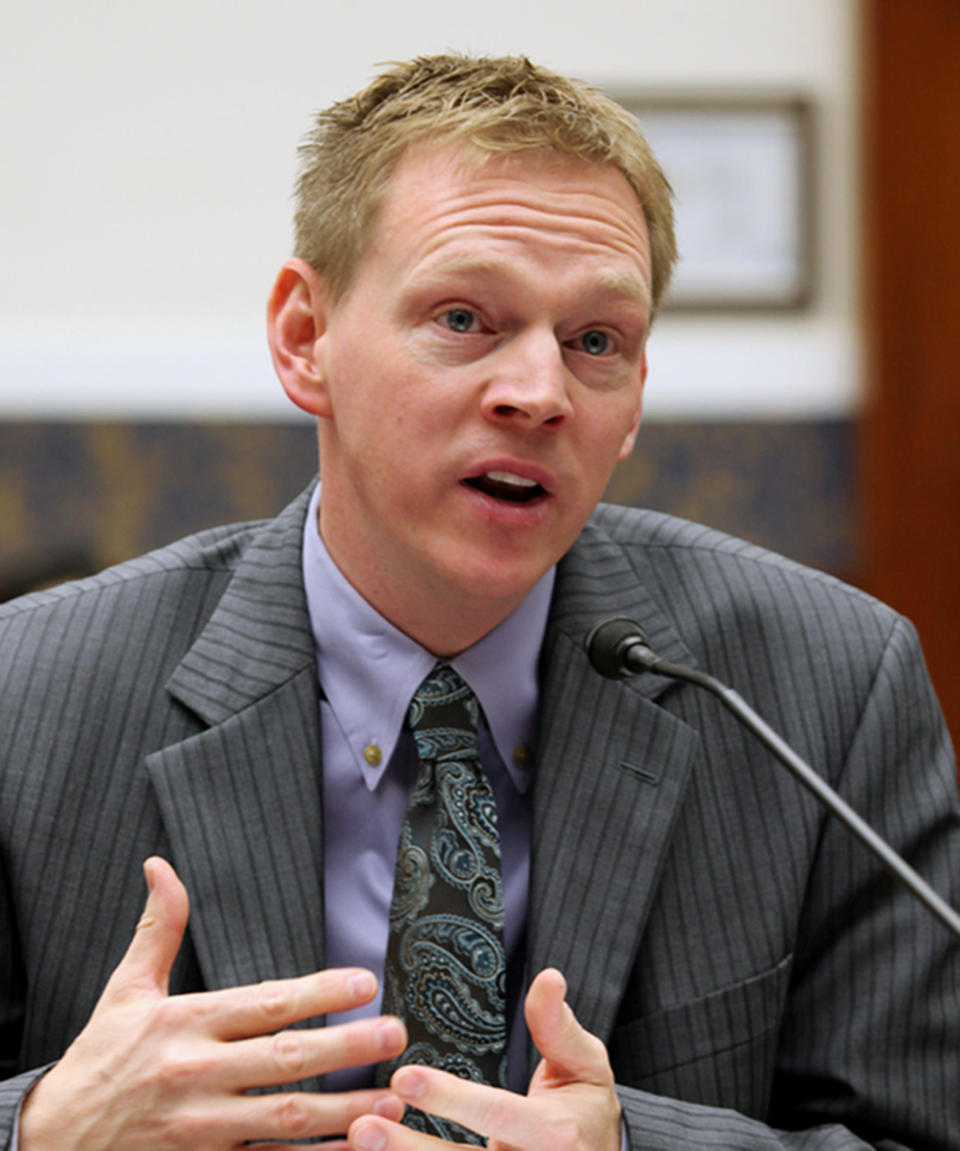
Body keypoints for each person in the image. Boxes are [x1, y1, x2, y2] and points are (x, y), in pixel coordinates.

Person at [1, 52, 958, 1151]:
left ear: (637, 392)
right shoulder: (26, 693)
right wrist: (44, 1126)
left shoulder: (826, 688)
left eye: (597, 341)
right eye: (464, 318)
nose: (538, 393)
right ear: (305, 337)